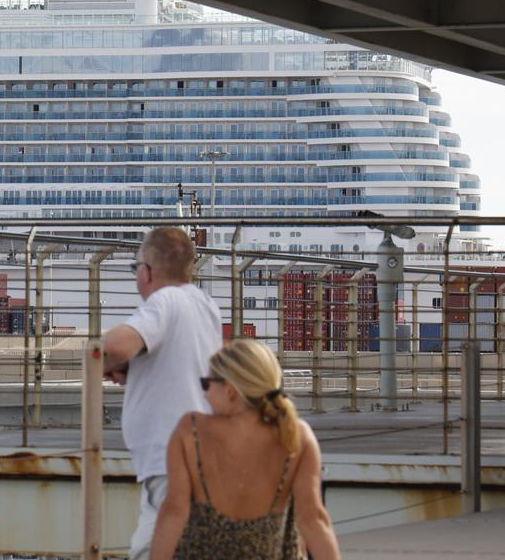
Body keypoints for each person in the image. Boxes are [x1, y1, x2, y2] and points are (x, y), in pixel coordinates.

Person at [151, 339, 341, 560]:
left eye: (206, 384)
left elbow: (174, 510)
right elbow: (313, 519)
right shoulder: (296, 436)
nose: (204, 394)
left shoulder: (191, 431)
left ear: (230, 391)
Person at [101, 227, 222, 560]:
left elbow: (114, 345)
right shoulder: (205, 304)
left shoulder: (163, 301)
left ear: (147, 271)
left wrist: (100, 360)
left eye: (135, 267)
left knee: (152, 551)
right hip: (198, 453)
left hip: (169, 460)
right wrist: (130, 367)